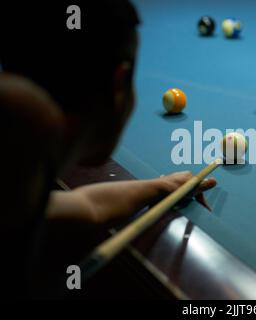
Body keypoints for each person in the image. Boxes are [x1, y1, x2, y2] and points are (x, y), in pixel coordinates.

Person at [0, 0, 216, 298]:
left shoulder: (19, 185)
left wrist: (160, 185)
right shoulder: (26, 131)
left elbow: (87, 207)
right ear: (119, 84)